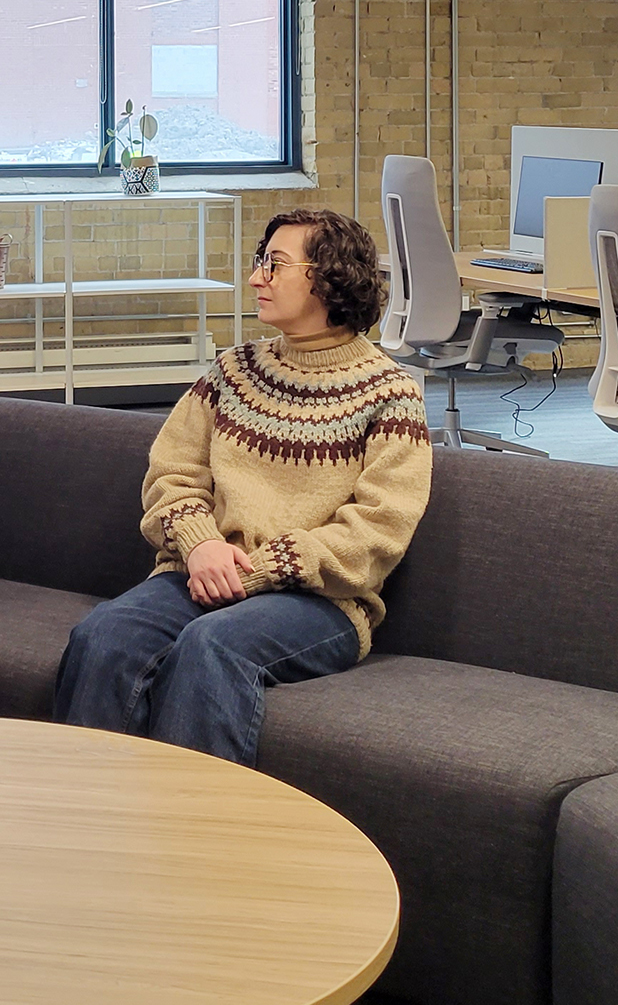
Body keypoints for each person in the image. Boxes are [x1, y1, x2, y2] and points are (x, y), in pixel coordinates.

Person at [52, 207, 432, 766]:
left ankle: (194, 839)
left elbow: (379, 528)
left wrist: (258, 569)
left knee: (212, 647)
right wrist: (200, 544)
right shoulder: (233, 371)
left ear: (329, 276)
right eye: (261, 262)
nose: (256, 278)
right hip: (201, 572)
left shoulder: (390, 393)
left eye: (274, 265)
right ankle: (82, 820)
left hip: (318, 603)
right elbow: (172, 473)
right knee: (104, 636)